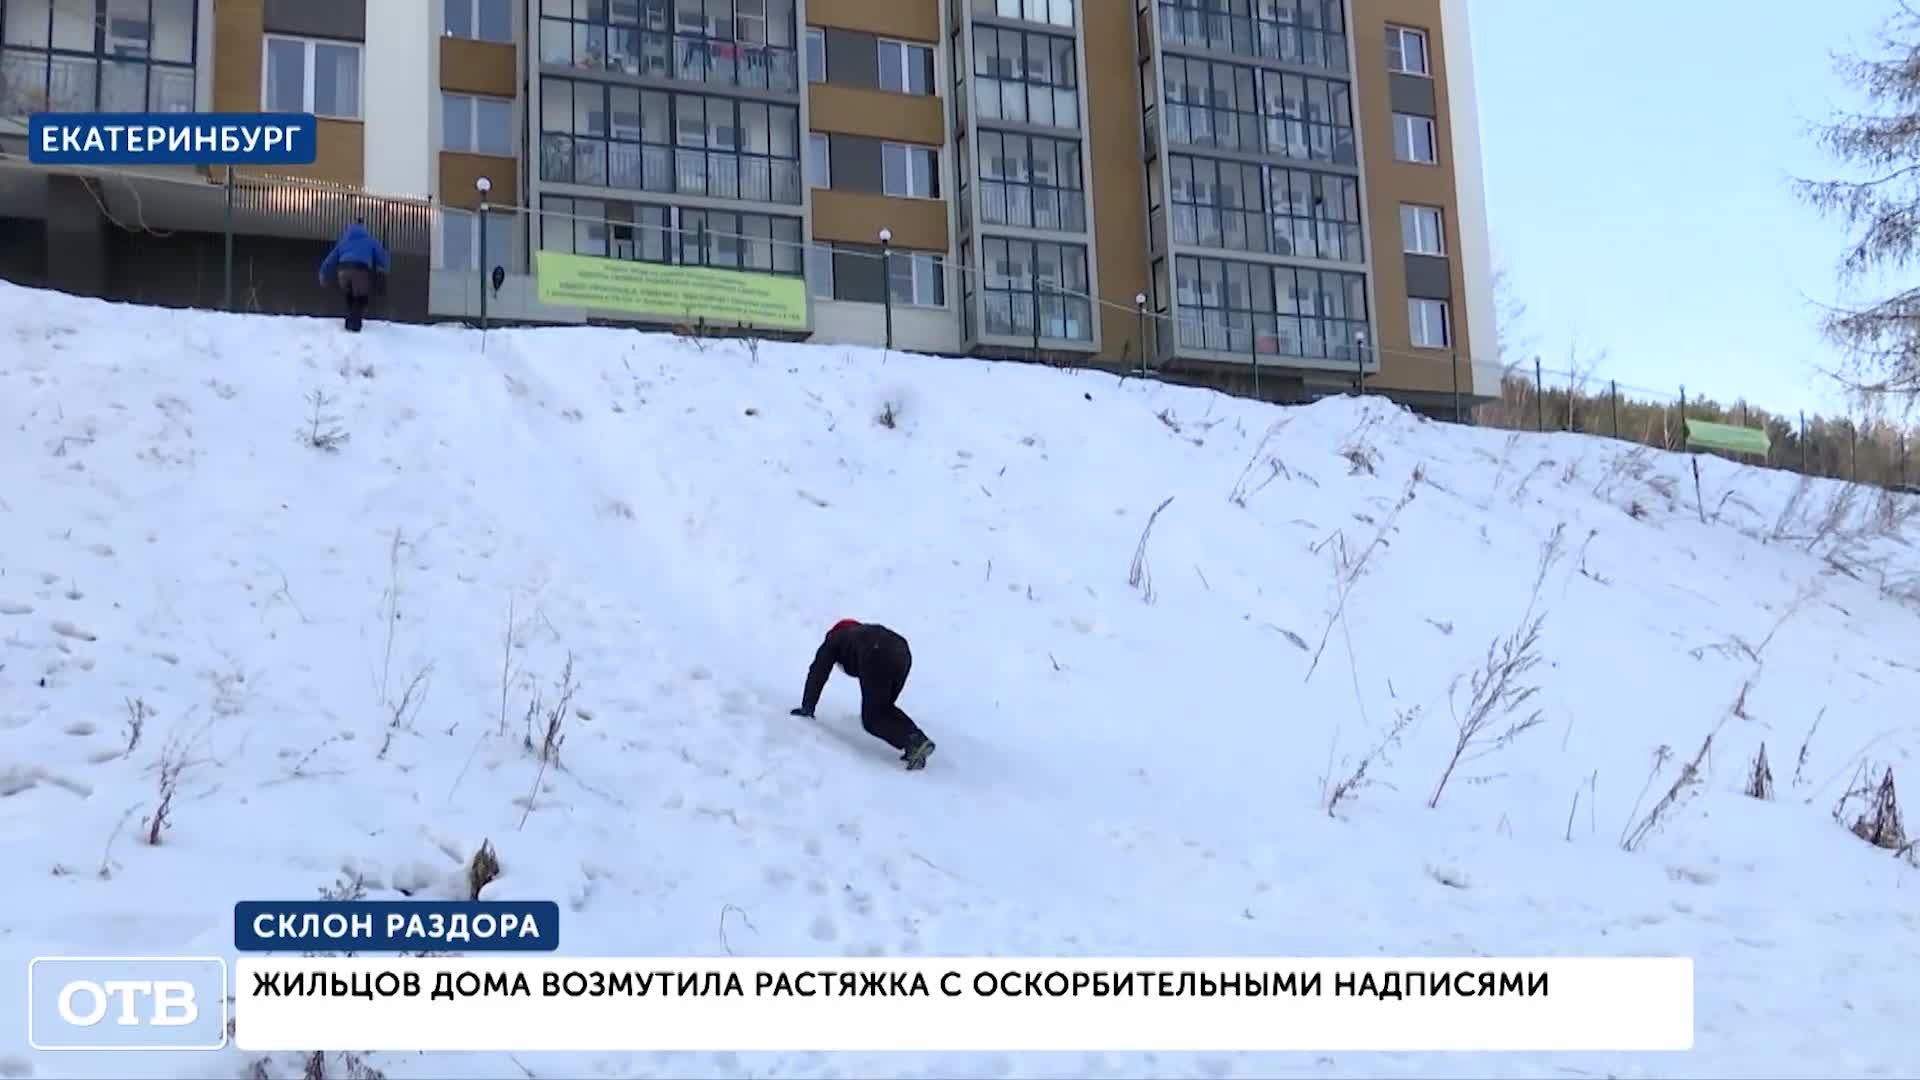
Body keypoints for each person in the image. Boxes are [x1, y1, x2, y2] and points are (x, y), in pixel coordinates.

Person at [791, 619, 936, 770]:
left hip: (876, 652)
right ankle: (915, 742)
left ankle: (913, 741)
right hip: (902, 651)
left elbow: (818, 672)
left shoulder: (834, 638)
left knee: (873, 719)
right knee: (884, 709)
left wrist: (807, 706)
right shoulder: (862, 632)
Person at [318, 217, 390, 332]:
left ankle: (348, 324)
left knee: (350, 296)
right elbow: (382, 256)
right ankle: (355, 327)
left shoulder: (343, 242)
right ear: (364, 229)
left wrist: (323, 272)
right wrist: (385, 267)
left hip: (343, 272)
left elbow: (331, 258)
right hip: (360, 270)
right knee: (361, 298)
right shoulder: (370, 240)